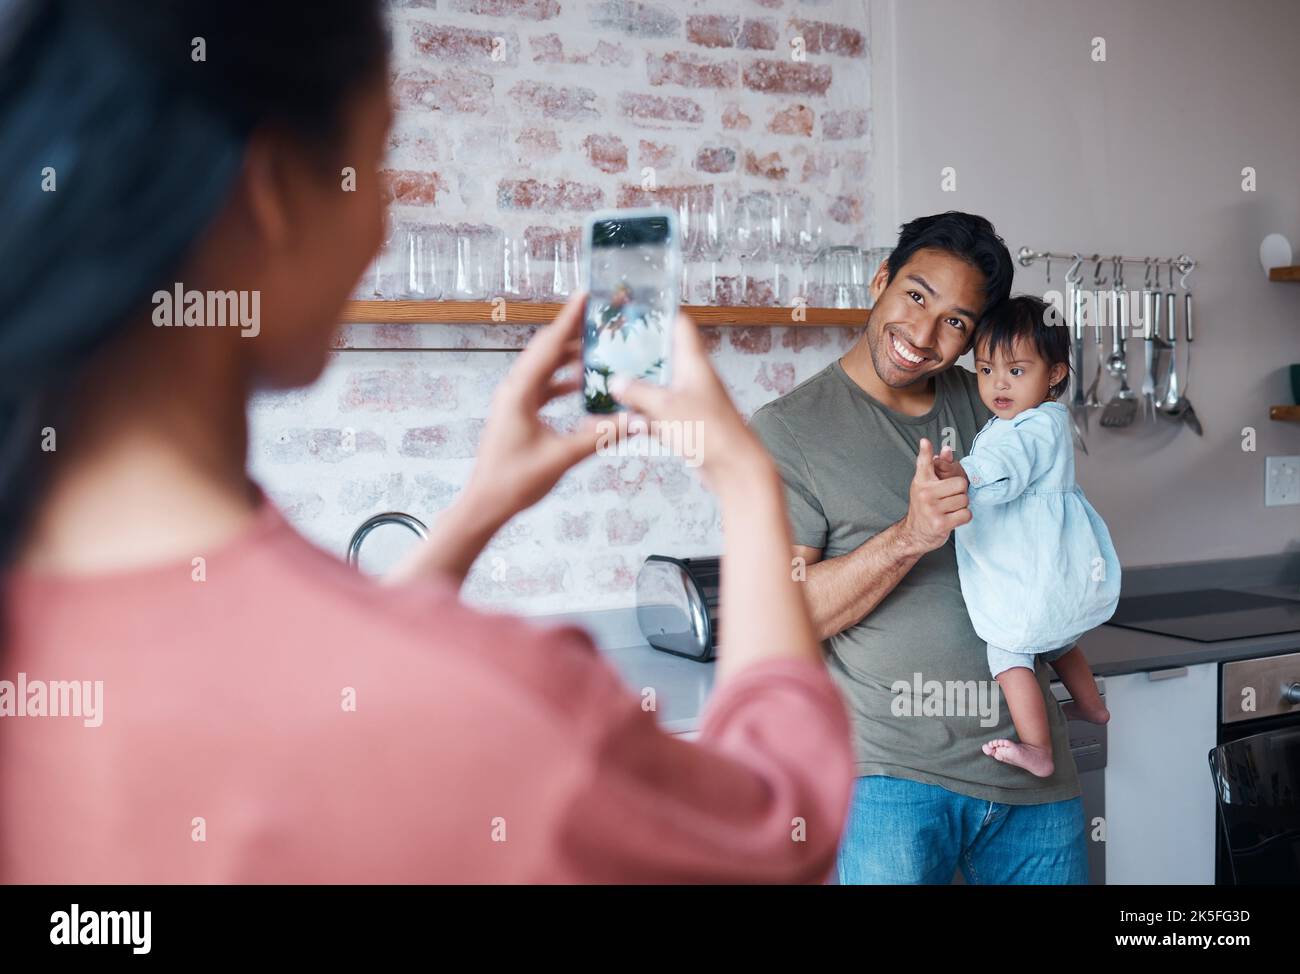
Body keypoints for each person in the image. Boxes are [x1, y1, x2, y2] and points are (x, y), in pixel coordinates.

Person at [0, 0, 853, 883]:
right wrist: (747, 481)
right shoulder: (513, 714)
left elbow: (316, 688)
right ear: (271, 197)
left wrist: (480, 506)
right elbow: (778, 823)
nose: (380, 223)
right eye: (376, 163)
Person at [749, 212, 1090, 884]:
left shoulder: (994, 403)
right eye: (915, 296)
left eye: (957, 322)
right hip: (892, 783)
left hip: (1031, 774)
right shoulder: (789, 430)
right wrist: (910, 537)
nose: (924, 336)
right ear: (881, 280)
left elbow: (1049, 524)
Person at [936, 295, 1118, 778]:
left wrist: (962, 472)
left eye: (1016, 371)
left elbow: (1005, 466)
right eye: (985, 370)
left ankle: (1037, 748)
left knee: (1010, 651)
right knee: (1060, 641)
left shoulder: (1035, 426)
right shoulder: (1036, 421)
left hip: (1030, 573)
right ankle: (1092, 706)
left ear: (1055, 373)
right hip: (1048, 571)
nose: (998, 383)